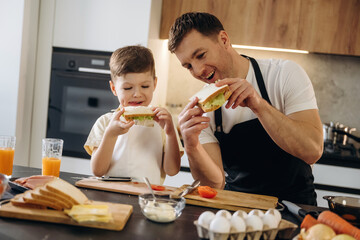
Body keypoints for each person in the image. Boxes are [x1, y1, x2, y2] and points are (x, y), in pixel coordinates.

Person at [168, 12, 323, 205]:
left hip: (297, 210)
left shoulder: (284, 75)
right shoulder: (201, 107)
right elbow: (214, 184)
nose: (198, 70)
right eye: (188, 66)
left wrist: (259, 106)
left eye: (200, 55)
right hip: (238, 211)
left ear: (224, 40)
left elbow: (313, 151)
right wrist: (191, 146)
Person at [84, 45, 182, 185]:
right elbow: (98, 171)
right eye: (128, 88)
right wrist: (110, 135)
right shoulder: (105, 122)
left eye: (145, 86)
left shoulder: (163, 124)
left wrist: (170, 133)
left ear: (154, 84)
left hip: (149, 199)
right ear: (114, 88)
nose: (137, 94)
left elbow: (172, 170)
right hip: (112, 197)